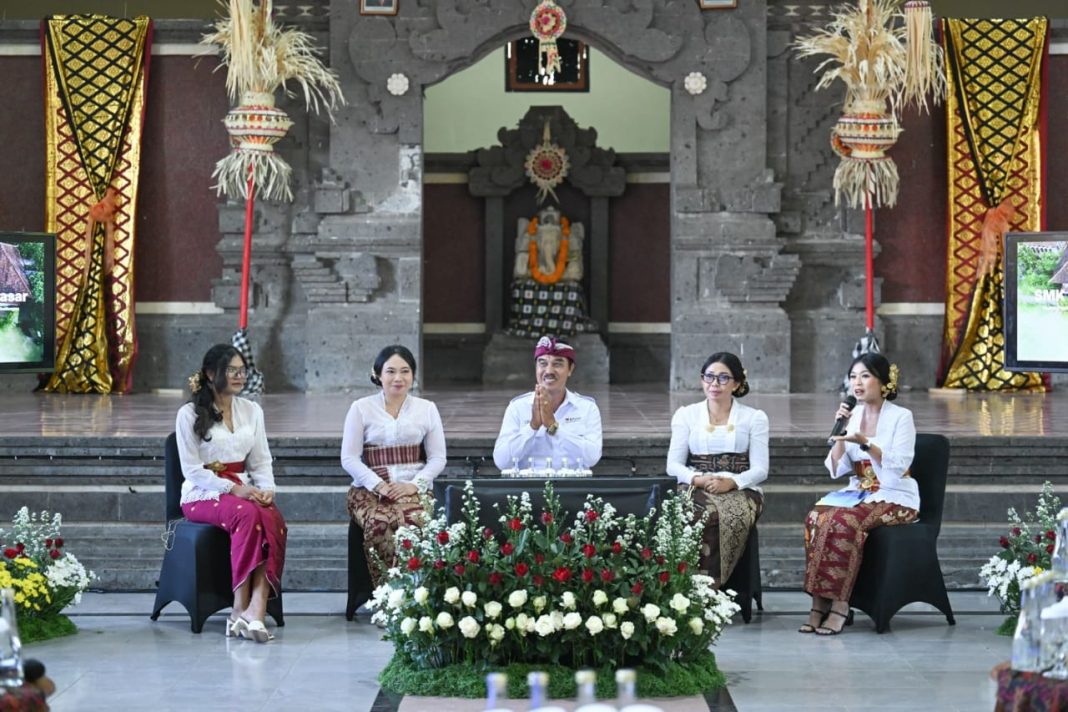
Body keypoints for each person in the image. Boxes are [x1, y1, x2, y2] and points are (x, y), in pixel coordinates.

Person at [801, 353, 918, 635]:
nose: (858, 383)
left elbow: (898, 466)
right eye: (853, 376)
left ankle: (841, 604)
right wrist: (841, 435)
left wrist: (865, 444)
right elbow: (835, 469)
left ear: (882, 381)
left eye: (865, 376)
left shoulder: (901, 417)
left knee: (846, 522)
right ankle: (819, 603)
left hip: (895, 494)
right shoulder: (851, 416)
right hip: (859, 491)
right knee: (817, 516)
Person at [176, 344, 286, 643]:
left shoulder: (252, 410)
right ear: (211, 374)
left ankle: (257, 607)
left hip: (245, 489)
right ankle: (238, 608)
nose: (239, 376)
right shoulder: (188, 414)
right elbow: (192, 470)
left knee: (273, 516)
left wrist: (266, 490)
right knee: (248, 515)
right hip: (203, 493)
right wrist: (234, 488)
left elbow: (261, 460)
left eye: (242, 370)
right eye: (231, 371)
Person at [341, 345, 446, 589]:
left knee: (417, 519)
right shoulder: (360, 408)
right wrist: (377, 485)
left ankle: (417, 593)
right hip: (370, 491)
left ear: (413, 375)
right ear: (377, 374)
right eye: (390, 371)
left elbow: (438, 458)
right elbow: (349, 458)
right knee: (381, 521)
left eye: (405, 371)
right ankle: (386, 594)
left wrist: (413, 485)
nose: (398, 378)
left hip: (413, 489)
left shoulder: (427, 408)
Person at [666, 352, 768, 586]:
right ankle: (685, 585)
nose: (714, 384)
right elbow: (673, 465)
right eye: (709, 377)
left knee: (718, 514)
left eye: (723, 378)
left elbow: (761, 469)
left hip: (740, 486)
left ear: (737, 383)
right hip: (696, 484)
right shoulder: (686, 415)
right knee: (694, 512)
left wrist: (732, 482)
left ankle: (713, 587)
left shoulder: (754, 418)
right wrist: (698, 479)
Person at [492, 336, 602, 472]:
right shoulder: (517, 408)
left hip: (572, 487)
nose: (549, 371)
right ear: (536, 367)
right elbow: (501, 462)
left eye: (557, 364)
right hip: (528, 489)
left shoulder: (587, 408)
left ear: (570, 369)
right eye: (542, 363)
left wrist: (553, 427)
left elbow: (592, 458)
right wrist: (532, 427)